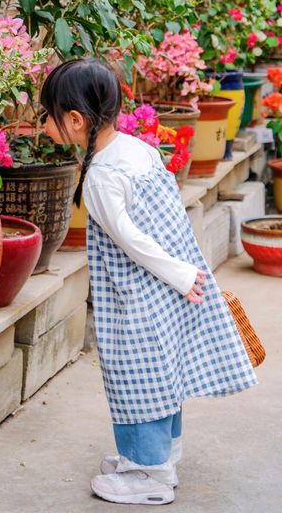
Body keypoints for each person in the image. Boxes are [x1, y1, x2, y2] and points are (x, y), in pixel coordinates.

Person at [40, 58, 257, 506]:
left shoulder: (101, 175)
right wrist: (183, 273)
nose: (44, 125)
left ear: (76, 120)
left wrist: (180, 274)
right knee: (163, 376)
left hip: (137, 292)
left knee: (134, 378)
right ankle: (162, 459)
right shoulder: (136, 149)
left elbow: (131, 239)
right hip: (167, 286)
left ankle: (149, 475)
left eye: (49, 116)